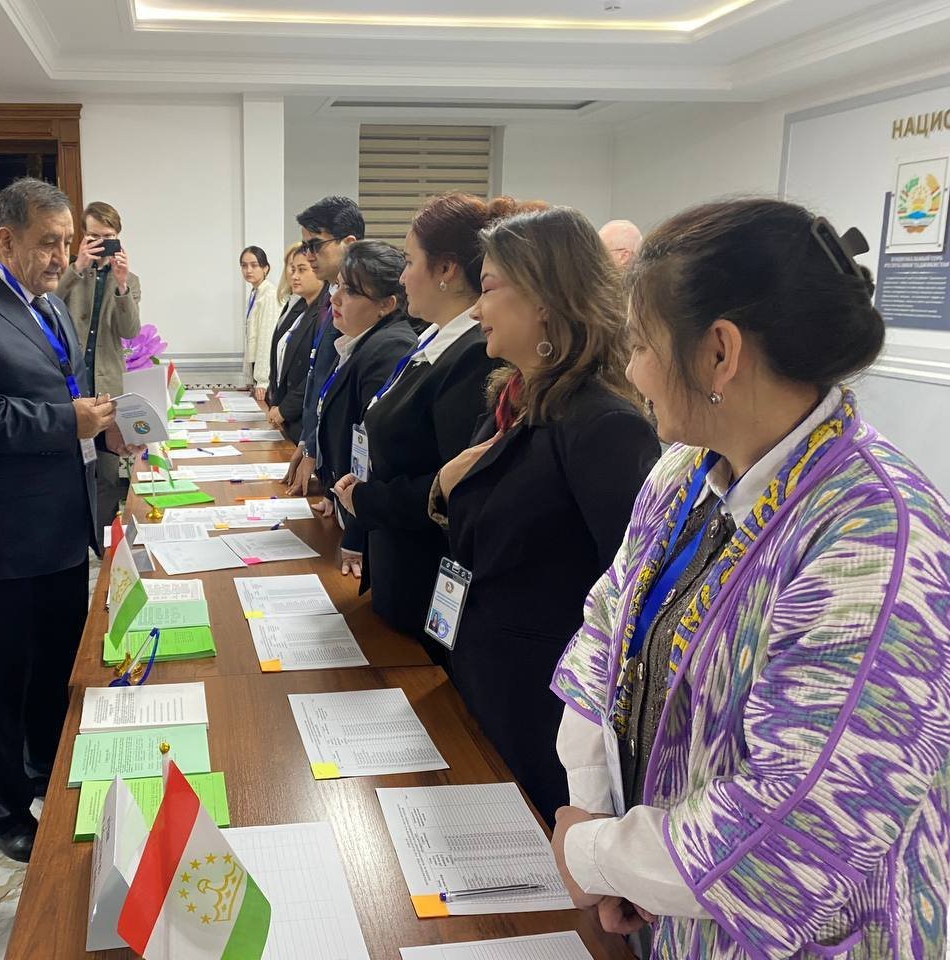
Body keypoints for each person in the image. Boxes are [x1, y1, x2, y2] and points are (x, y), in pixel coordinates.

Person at [550, 199, 950, 959]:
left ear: (719, 353)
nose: (630, 371)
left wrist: (599, 855)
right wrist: (602, 826)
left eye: (641, 345)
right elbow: (608, 629)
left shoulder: (874, 536)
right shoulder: (682, 474)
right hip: (672, 907)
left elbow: (806, 824)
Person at [427, 206, 660, 828]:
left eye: (488, 288)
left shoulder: (605, 424)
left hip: (541, 705)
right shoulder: (517, 398)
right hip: (482, 672)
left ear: (545, 299)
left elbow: (629, 599)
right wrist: (444, 491)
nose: (475, 310)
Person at [0, 178, 127, 865]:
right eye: (48, 243)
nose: (61, 257)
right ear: (7, 239)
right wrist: (66, 421)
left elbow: (67, 393)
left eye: (67, 243)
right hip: (7, 529)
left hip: (63, 521)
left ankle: (46, 768)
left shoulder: (52, 307)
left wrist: (103, 428)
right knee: (2, 678)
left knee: (55, 666)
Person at [333, 193, 522, 646]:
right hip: (394, 563)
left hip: (425, 574)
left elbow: (451, 485)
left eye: (410, 261)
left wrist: (368, 500)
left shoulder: (474, 354)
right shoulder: (432, 339)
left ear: (445, 269)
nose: (402, 277)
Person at [313, 240, 417, 577]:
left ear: (386, 304)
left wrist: (356, 536)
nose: (335, 298)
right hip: (347, 505)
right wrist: (333, 492)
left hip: (368, 529)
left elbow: (373, 451)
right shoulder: (359, 342)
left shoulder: (389, 347)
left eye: (351, 292)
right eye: (338, 286)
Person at [56, 200, 141, 539]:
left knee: (107, 474)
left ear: (118, 237)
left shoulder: (130, 280)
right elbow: (47, 305)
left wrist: (121, 286)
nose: (101, 243)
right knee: (69, 470)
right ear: (82, 236)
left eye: (108, 237)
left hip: (107, 390)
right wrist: (77, 266)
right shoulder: (69, 273)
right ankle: (73, 537)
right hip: (69, 390)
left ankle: (102, 542)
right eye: (93, 236)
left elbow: (129, 330)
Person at [284, 196, 364, 495]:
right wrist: (308, 441)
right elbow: (317, 377)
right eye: (305, 247)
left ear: (349, 243)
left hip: (345, 466)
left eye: (315, 245)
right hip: (320, 451)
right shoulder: (329, 299)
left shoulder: (363, 305)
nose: (308, 255)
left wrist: (316, 449)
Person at [266, 249, 323, 442]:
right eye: (292, 269)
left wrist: (286, 408)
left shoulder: (324, 314)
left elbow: (316, 372)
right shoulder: (302, 310)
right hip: (288, 416)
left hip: (303, 418)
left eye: (302, 270)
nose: (294, 276)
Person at [240, 245, 279, 400]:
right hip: (256, 370)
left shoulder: (269, 294)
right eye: (244, 265)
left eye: (254, 265)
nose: (248, 270)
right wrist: (250, 379)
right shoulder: (256, 292)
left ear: (265, 268)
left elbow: (267, 338)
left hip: (266, 375)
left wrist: (263, 380)